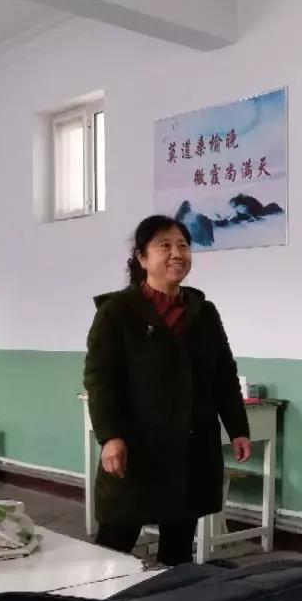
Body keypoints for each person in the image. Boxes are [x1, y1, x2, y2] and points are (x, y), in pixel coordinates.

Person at [84, 215, 251, 565]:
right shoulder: (117, 312)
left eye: (183, 246)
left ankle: (171, 599)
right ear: (142, 258)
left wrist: (238, 427)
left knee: (178, 549)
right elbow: (101, 379)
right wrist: (110, 436)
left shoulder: (203, 312)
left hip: (190, 448)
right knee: (114, 545)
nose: (177, 253)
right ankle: (99, 598)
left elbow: (224, 374)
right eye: (165, 246)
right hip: (136, 447)